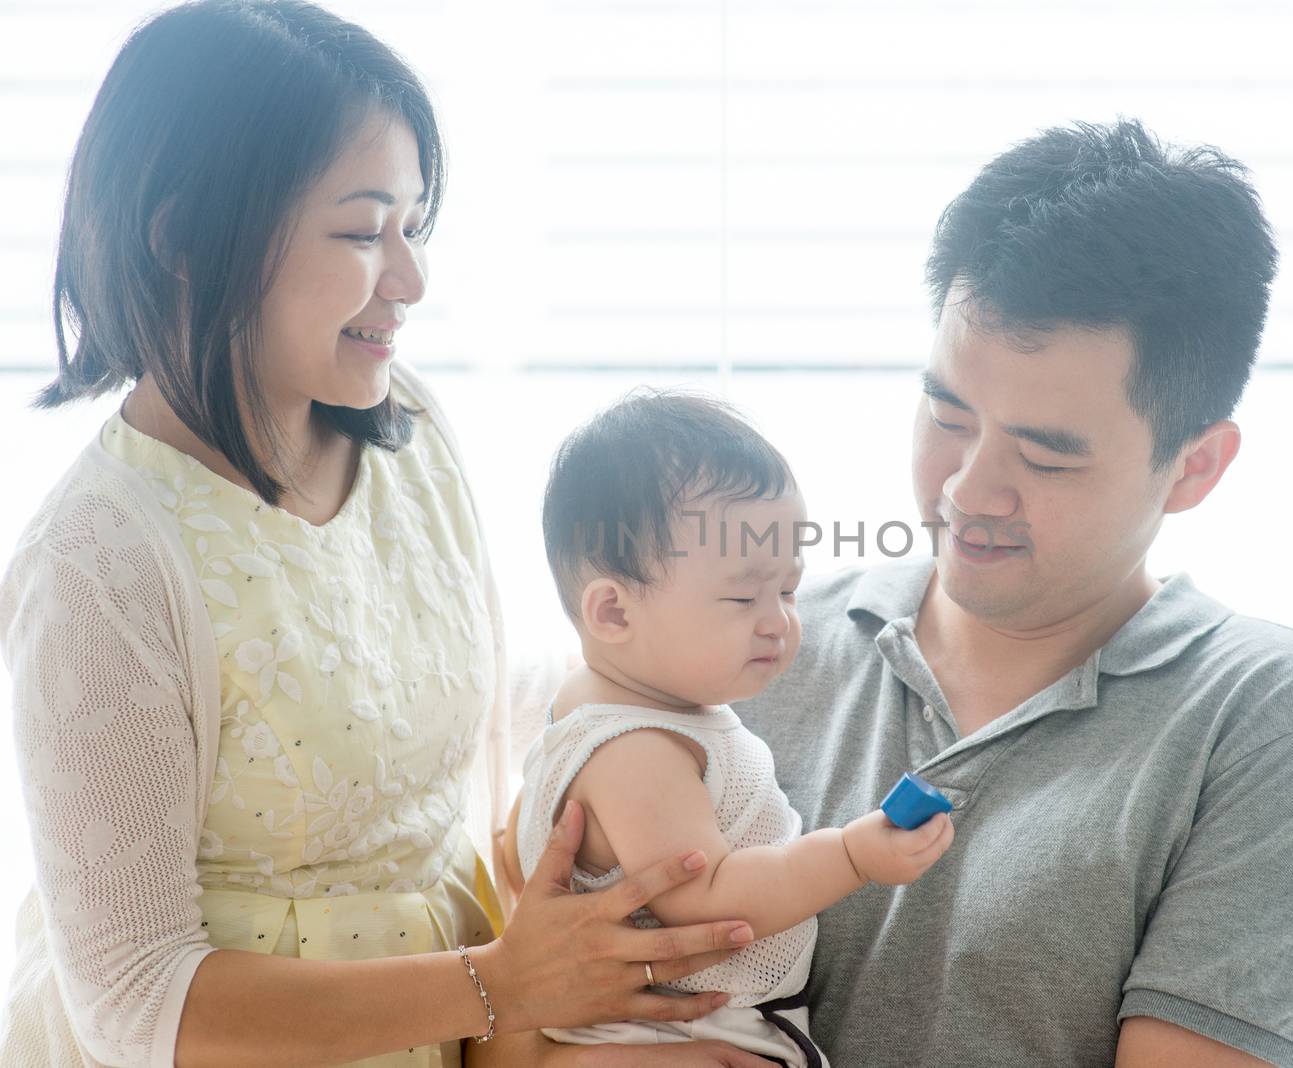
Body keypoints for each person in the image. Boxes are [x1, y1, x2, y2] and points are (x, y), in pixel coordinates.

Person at [532, 120, 1293, 1066]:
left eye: (1047, 454)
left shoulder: (1269, 716)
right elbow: (516, 1024)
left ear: (1195, 468)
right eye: (947, 414)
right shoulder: (733, 650)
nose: (968, 490)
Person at [0, 3, 759, 1065]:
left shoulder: (411, 435)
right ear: (181, 236)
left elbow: (471, 788)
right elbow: (133, 1001)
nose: (408, 279)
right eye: (362, 231)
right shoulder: (98, 563)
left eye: (413, 227)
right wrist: (497, 987)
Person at [494, 390, 956, 1067]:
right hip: (670, 1038)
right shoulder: (636, 750)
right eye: (743, 597)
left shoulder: (635, 703)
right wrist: (852, 855)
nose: (778, 621)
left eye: (789, 590)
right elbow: (707, 902)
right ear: (614, 614)